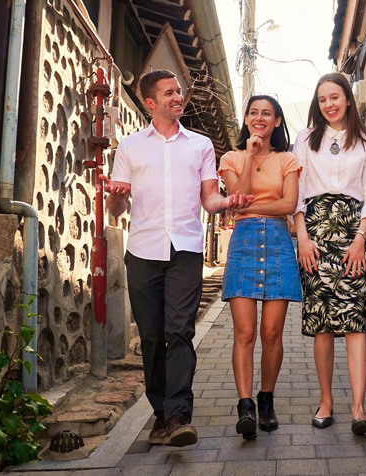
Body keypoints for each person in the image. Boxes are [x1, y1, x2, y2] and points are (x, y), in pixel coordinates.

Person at [99, 69, 253, 447]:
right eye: (169, 93)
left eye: (179, 92)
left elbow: (209, 199)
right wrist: (117, 193)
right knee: (151, 336)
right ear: (151, 103)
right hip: (143, 250)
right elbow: (117, 208)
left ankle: (180, 415)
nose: (177, 97)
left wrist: (228, 202)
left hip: (185, 249)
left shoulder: (200, 145)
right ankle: (160, 414)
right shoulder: (130, 147)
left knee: (180, 332)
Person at [293, 73, 366, 435]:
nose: (329, 104)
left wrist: (360, 238)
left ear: (348, 98)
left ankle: (358, 408)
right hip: (313, 233)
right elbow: (295, 191)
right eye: (323, 99)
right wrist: (302, 238)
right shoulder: (305, 139)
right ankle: (326, 401)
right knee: (322, 326)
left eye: (335, 97)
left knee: (354, 322)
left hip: (352, 234)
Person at [218, 94, 301, 440]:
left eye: (267, 113)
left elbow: (290, 204)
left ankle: (267, 398)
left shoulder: (288, 159)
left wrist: (253, 209)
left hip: (280, 243)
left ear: (277, 121)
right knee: (245, 333)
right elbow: (237, 198)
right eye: (253, 112)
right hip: (244, 245)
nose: (259, 118)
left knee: (271, 333)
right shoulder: (232, 157)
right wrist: (251, 154)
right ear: (246, 120)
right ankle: (245, 405)